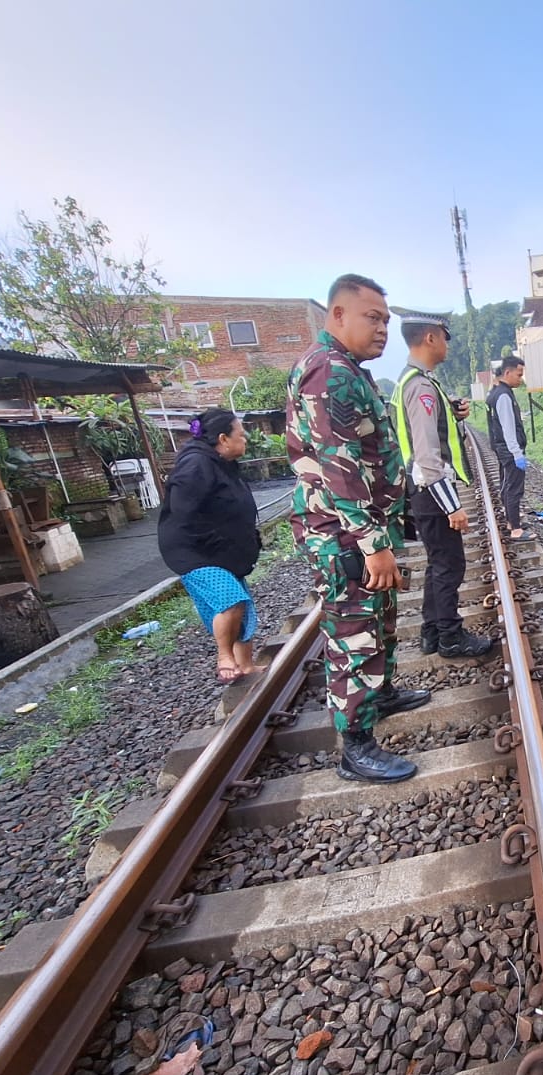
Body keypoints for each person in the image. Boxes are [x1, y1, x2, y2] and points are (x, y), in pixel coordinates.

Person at [287, 274, 430, 784]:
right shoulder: (329, 372)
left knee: (380, 616)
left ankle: (382, 693)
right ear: (337, 314)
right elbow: (339, 467)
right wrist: (373, 546)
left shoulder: (346, 368)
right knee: (353, 632)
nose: (384, 330)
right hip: (344, 534)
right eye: (373, 318)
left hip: (360, 528)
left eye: (387, 321)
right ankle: (356, 746)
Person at [392, 311, 497, 659]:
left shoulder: (417, 381)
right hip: (430, 493)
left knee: (439, 563)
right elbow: (426, 455)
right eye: (445, 335)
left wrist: (453, 412)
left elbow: (432, 432)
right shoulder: (420, 386)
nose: (448, 343)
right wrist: (452, 505)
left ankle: (432, 633)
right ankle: (450, 637)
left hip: (424, 494)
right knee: (450, 565)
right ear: (430, 338)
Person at [157, 407, 263, 682]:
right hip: (196, 552)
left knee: (244, 608)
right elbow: (183, 513)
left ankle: (246, 667)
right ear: (223, 439)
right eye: (241, 434)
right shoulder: (196, 465)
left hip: (223, 551)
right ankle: (224, 656)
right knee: (231, 601)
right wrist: (217, 544)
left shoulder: (221, 464)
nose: (245, 439)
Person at [486, 355, 533, 541]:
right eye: (519, 374)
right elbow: (508, 427)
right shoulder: (503, 395)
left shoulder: (495, 392)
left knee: (507, 484)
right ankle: (515, 529)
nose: (520, 379)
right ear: (507, 372)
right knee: (514, 487)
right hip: (509, 449)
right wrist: (516, 453)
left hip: (501, 448)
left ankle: (510, 520)